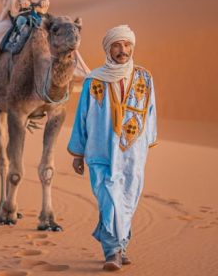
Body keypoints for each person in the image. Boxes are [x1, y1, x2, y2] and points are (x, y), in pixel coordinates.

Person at [67, 25, 158, 271]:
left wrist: (147, 144)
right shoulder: (94, 80)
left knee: (127, 200)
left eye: (127, 45)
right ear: (108, 49)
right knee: (109, 201)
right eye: (117, 45)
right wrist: (78, 152)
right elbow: (82, 117)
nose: (123, 50)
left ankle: (122, 244)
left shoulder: (144, 78)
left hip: (132, 154)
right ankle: (113, 252)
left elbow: (150, 115)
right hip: (100, 153)